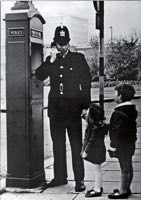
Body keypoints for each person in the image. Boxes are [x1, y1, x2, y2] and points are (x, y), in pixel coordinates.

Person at [35, 25, 91, 192]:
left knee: (75, 145)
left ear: (68, 41)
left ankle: (79, 180)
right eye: (60, 43)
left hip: (73, 110)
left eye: (65, 42)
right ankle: (60, 177)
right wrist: (50, 60)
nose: (63, 46)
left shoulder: (78, 58)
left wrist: (85, 107)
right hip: (56, 111)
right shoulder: (51, 60)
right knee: (57, 145)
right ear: (55, 43)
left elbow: (86, 84)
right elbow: (39, 75)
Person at [108, 83, 138, 199]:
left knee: (124, 167)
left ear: (120, 96)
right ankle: (127, 188)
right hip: (130, 143)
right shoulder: (130, 110)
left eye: (115, 93)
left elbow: (117, 131)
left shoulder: (118, 113)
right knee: (128, 165)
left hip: (121, 145)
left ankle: (123, 191)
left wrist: (113, 145)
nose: (113, 96)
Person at [81, 103, 108, 197]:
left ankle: (97, 190)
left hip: (96, 152)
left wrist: (85, 152)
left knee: (97, 170)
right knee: (97, 169)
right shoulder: (98, 125)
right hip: (99, 151)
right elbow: (84, 116)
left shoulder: (94, 128)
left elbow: (91, 141)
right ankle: (98, 186)